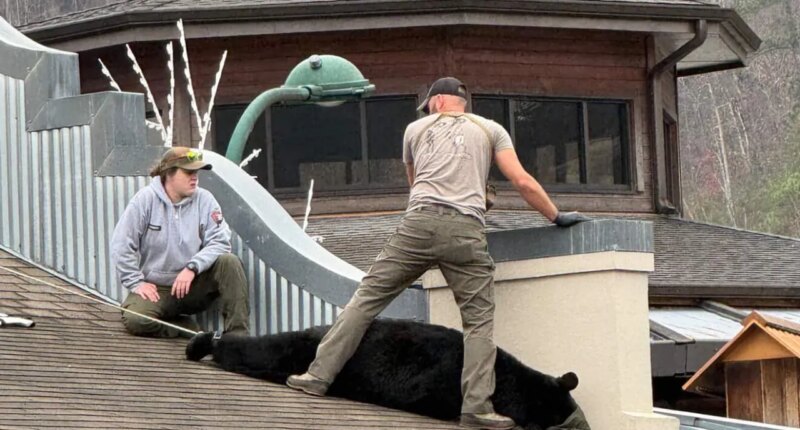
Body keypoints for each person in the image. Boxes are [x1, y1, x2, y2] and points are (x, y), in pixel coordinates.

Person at [286, 77, 589, 429]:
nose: (427, 109)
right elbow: (522, 181)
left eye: (429, 103)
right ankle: (476, 408)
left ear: (440, 101)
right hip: (465, 230)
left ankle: (318, 376)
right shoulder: (492, 130)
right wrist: (556, 215)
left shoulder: (414, 130)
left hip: (417, 225)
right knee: (478, 323)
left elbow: (415, 184)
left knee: (366, 299)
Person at [111, 146, 250, 338]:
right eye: (188, 172)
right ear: (169, 173)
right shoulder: (144, 200)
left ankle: (238, 337)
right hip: (158, 289)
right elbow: (121, 244)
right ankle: (188, 330)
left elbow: (220, 242)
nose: (195, 177)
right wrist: (136, 283)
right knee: (136, 319)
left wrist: (192, 268)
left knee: (230, 261)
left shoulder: (205, 200)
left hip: (193, 286)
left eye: (196, 172)